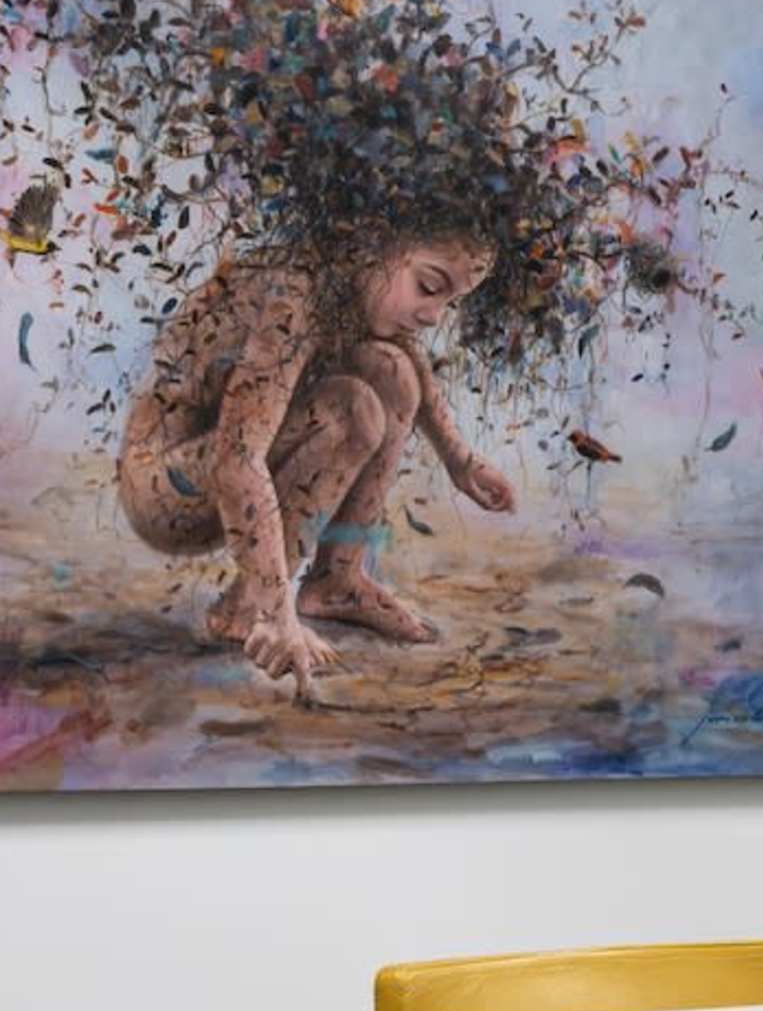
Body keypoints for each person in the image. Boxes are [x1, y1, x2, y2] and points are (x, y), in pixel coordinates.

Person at [113, 230, 521, 691]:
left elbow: (409, 358)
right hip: (166, 488)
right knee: (352, 407)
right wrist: (276, 614)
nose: (433, 316)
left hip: (226, 470)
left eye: (450, 300)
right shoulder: (292, 294)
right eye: (428, 287)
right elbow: (236, 462)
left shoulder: (344, 279)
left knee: (393, 372)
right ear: (374, 243)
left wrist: (459, 459)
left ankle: (336, 580)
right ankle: (250, 608)